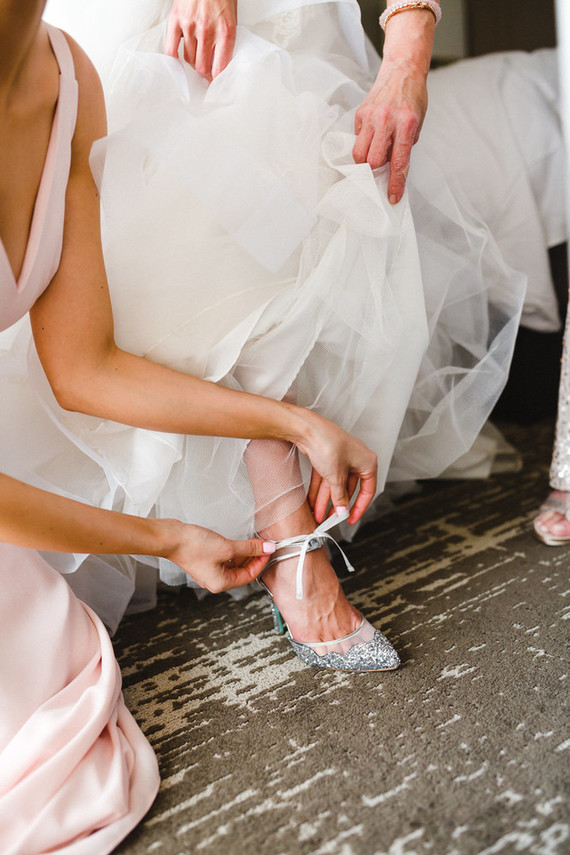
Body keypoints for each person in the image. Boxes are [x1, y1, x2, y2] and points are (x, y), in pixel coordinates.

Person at [5, 0, 525, 666]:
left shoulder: (63, 78)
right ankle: (287, 527)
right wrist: (167, 538)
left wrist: (299, 426)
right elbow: (81, 373)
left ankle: (287, 520)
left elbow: (85, 367)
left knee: (253, 132)